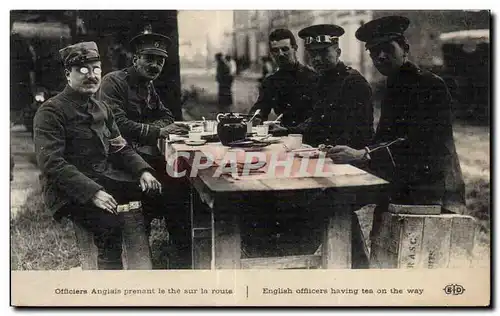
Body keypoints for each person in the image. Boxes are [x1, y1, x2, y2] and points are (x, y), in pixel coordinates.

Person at [324, 16, 466, 240]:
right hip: (403, 179)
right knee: (334, 200)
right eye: (374, 51)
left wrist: (365, 154)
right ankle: (357, 263)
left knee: (337, 203)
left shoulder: (431, 85)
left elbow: (422, 144)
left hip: (431, 190)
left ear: (405, 49)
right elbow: (385, 138)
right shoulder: (393, 86)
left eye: (387, 48)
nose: (380, 56)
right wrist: (351, 153)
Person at [33, 41, 162, 270]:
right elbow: (51, 163)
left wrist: (142, 171)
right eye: (82, 70)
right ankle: (107, 290)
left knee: (163, 192)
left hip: (102, 176)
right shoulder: (51, 111)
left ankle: (141, 259)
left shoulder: (102, 108)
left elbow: (119, 147)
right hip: (67, 189)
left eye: (96, 70)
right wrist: (93, 193)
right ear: (67, 74)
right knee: (108, 225)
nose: (91, 76)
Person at [98, 31, 192, 269]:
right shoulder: (113, 82)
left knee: (182, 183)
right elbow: (117, 125)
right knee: (171, 188)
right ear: (135, 59)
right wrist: (158, 131)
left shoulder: (147, 86)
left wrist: (155, 128)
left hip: (141, 158)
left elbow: (167, 115)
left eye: (160, 60)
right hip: (115, 162)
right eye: (149, 58)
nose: (155, 65)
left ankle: (183, 256)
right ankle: (145, 255)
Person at [270, 24, 374, 148]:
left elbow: (360, 133)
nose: (317, 59)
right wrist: (286, 130)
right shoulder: (321, 80)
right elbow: (315, 121)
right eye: (312, 54)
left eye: (323, 52)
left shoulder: (353, 82)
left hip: (347, 159)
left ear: (338, 52)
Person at [248, 29, 317, 129]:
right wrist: (253, 120)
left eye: (285, 49)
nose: (280, 54)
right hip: (283, 137)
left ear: (295, 48)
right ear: (271, 53)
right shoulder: (271, 82)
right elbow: (260, 108)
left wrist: (291, 131)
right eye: (275, 50)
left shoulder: (312, 78)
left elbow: (318, 117)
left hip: (308, 137)